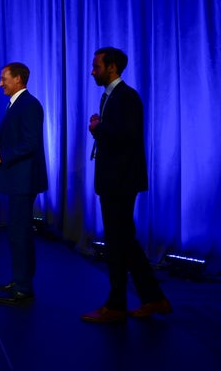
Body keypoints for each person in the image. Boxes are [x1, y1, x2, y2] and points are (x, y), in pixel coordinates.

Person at [81, 47, 172, 322]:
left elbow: (129, 136)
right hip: (113, 181)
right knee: (124, 242)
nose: (92, 71)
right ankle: (154, 299)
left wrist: (99, 129)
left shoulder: (127, 97)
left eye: (97, 66)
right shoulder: (110, 97)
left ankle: (117, 304)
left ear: (112, 67)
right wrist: (101, 128)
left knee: (118, 243)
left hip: (120, 182)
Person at [0, 62, 48, 305]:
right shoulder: (16, 104)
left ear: (19, 79)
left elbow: (31, 143)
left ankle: (23, 288)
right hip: (16, 179)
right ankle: (20, 279)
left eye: (4, 78)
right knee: (17, 232)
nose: (1, 83)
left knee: (20, 233)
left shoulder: (29, 105)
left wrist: (3, 155)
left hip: (24, 180)